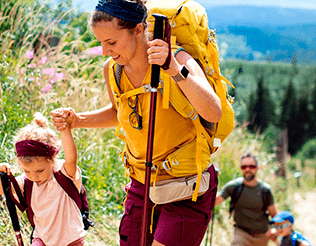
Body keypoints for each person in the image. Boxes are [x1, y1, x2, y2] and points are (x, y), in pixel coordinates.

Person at [50, 0, 222, 245]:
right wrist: (78, 120)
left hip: (186, 185)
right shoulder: (113, 70)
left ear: (138, 30)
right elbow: (119, 111)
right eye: (101, 42)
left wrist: (173, 67)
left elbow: (213, 112)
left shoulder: (178, 57)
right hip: (141, 184)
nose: (104, 50)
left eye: (111, 42)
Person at [0, 112, 86, 246]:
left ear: (52, 159)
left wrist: (64, 130)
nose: (34, 176)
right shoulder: (27, 182)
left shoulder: (64, 174)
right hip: (42, 239)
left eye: (40, 170)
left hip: (71, 240)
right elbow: (2, 190)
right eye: (27, 170)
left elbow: (71, 159)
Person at [215, 152, 279, 246]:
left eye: (251, 166)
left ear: (257, 168)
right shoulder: (234, 186)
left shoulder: (265, 190)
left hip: (262, 237)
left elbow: (275, 215)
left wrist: (275, 229)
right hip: (241, 234)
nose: (247, 169)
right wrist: (211, 181)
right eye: (244, 167)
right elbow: (214, 201)